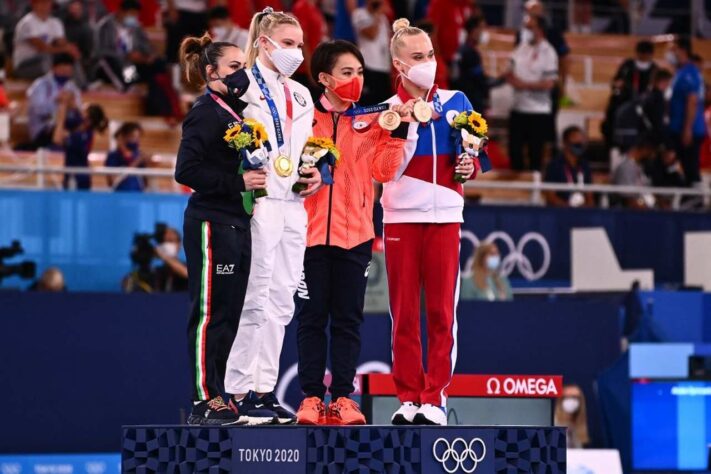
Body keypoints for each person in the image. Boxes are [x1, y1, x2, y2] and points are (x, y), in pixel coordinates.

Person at [294, 40, 409, 426]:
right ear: (324, 78)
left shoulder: (374, 120)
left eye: (359, 72)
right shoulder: (303, 118)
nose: (356, 79)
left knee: (347, 321)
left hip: (356, 236)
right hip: (307, 237)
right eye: (347, 72)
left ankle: (343, 397)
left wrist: (399, 131)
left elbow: (383, 172)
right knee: (311, 319)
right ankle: (311, 397)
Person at [224, 8, 320, 426]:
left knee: (282, 301)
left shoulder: (302, 94)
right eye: (287, 44)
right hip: (259, 202)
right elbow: (221, 136)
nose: (296, 52)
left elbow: (310, 149)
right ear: (263, 43)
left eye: (299, 44)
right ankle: (236, 391)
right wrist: (238, 176)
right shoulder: (239, 85)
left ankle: (264, 391)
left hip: (294, 205)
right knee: (254, 296)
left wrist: (317, 173)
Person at [382, 18, 477, 426]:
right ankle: (407, 397)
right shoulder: (388, 111)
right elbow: (386, 170)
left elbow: (474, 159)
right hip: (401, 217)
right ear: (400, 66)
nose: (428, 63)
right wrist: (408, 126)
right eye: (418, 57)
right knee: (404, 314)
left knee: (441, 313)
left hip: (445, 217)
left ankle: (434, 398)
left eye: (431, 55)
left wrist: (469, 165)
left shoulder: (458, 101)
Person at [174, 34, 267, 425]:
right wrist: (237, 183)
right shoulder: (205, 112)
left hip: (236, 222)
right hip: (211, 221)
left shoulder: (234, 113)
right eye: (233, 68)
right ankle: (203, 398)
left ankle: (219, 392)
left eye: (242, 67)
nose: (241, 74)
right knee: (210, 312)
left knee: (229, 312)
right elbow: (186, 170)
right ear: (211, 72)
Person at [95, 0, 182, 121]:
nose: (133, 17)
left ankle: (159, 109)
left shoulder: (135, 27)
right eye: (131, 14)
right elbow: (102, 51)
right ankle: (127, 85)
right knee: (114, 62)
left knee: (158, 67)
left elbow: (146, 46)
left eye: (135, 15)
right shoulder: (105, 26)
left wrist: (148, 57)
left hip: (134, 64)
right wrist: (126, 56)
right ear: (120, 12)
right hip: (115, 65)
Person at [506, 14, 558, 171]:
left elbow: (550, 83)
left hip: (538, 111)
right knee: (514, 151)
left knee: (535, 154)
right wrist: (510, 77)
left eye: (530, 27)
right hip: (518, 108)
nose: (526, 31)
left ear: (540, 30)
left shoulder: (549, 52)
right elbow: (509, 69)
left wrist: (525, 85)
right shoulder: (521, 48)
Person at [603, 40, 658, 149]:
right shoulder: (627, 66)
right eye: (641, 56)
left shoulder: (654, 70)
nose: (643, 59)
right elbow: (616, 82)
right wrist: (617, 85)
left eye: (646, 56)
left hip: (644, 107)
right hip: (624, 102)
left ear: (650, 55)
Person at [668, 37, 706, 185]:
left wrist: (687, 129)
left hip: (688, 130)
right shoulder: (683, 72)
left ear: (682, 50)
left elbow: (692, 101)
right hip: (681, 129)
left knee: (691, 169)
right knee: (684, 168)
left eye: (673, 49)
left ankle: (696, 202)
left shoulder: (689, 73)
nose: (670, 53)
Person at [25, 53, 81, 150]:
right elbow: (38, 110)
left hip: (66, 127)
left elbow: (79, 111)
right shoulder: (41, 85)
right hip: (43, 129)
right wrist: (56, 101)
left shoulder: (73, 87)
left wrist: (73, 106)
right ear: (54, 68)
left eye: (68, 70)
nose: (66, 73)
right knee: (63, 135)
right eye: (63, 69)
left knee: (79, 132)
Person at [12, 0, 80, 80]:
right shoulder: (27, 23)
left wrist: (71, 50)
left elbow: (62, 44)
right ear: (34, 4)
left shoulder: (55, 22)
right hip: (25, 65)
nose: (47, 5)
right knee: (46, 59)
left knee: (69, 56)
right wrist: (66, 49)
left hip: (46, 60)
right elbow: (43, 48)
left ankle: (83, 86)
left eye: (49, 3)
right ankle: (54, 84)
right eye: (43, 3)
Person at [52, 97, 107, 191]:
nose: (80, 111)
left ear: (88, 119)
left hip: (76, 177)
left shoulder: (81, 136)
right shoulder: (82, 131)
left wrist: (61, 116)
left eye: (83, 111)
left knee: (75, 204)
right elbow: (76, 110)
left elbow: (57, 139)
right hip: (75, 174)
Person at [352, 0, 392, 104]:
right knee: (369, 103)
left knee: (384, 105)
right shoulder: (359, 14)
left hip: (384, 67)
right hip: (369, 66)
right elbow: (371, 35)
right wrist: (377, 14)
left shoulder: (383, 18)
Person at [543, 126, 594, 207]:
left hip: (583, 214)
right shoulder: (554, 165)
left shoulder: (585, 166)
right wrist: (568, 209)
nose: (579, 141)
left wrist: (584, 209)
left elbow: (590, 196)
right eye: (575, 138)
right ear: (565, 142)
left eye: (582, 138)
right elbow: (550, 196)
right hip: (559, 213)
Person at [455, 15, 490, 114]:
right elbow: (480, 81)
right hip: (472, 105)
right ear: (474, 30)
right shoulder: (469, 53)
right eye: (482, 28)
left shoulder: (463, 50)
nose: (484, 32)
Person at [611, 139, 657, 208]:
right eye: (649, 151)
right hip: (631, 212)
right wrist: (643, 207)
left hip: (647, 206)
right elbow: (627, 197)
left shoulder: (640, 166)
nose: (651, 156)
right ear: (643, 150)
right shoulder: (626, 167)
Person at [105, 122, 147, 192]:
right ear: (123, 137)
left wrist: (148, 164)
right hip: (120, 195)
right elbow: (111, 181)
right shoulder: (113, 156)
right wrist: (135, 163)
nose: (136, 140)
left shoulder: (139, 155)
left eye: (138, 137)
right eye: (133, 137)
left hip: (138, 195)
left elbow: (145, 182)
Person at [153, 227, 189, 292]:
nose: (167, 245)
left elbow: (185, 273)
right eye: (165, 242)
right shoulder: (157, 271)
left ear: (179, 244)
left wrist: (162, 255)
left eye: (171, 241)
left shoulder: (189, 266)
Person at [554, 384, 590, 449]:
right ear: (560, 400)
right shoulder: (552, 424)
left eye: (574, 397)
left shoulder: (580, 426)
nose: (571, 400)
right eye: (567, 397)